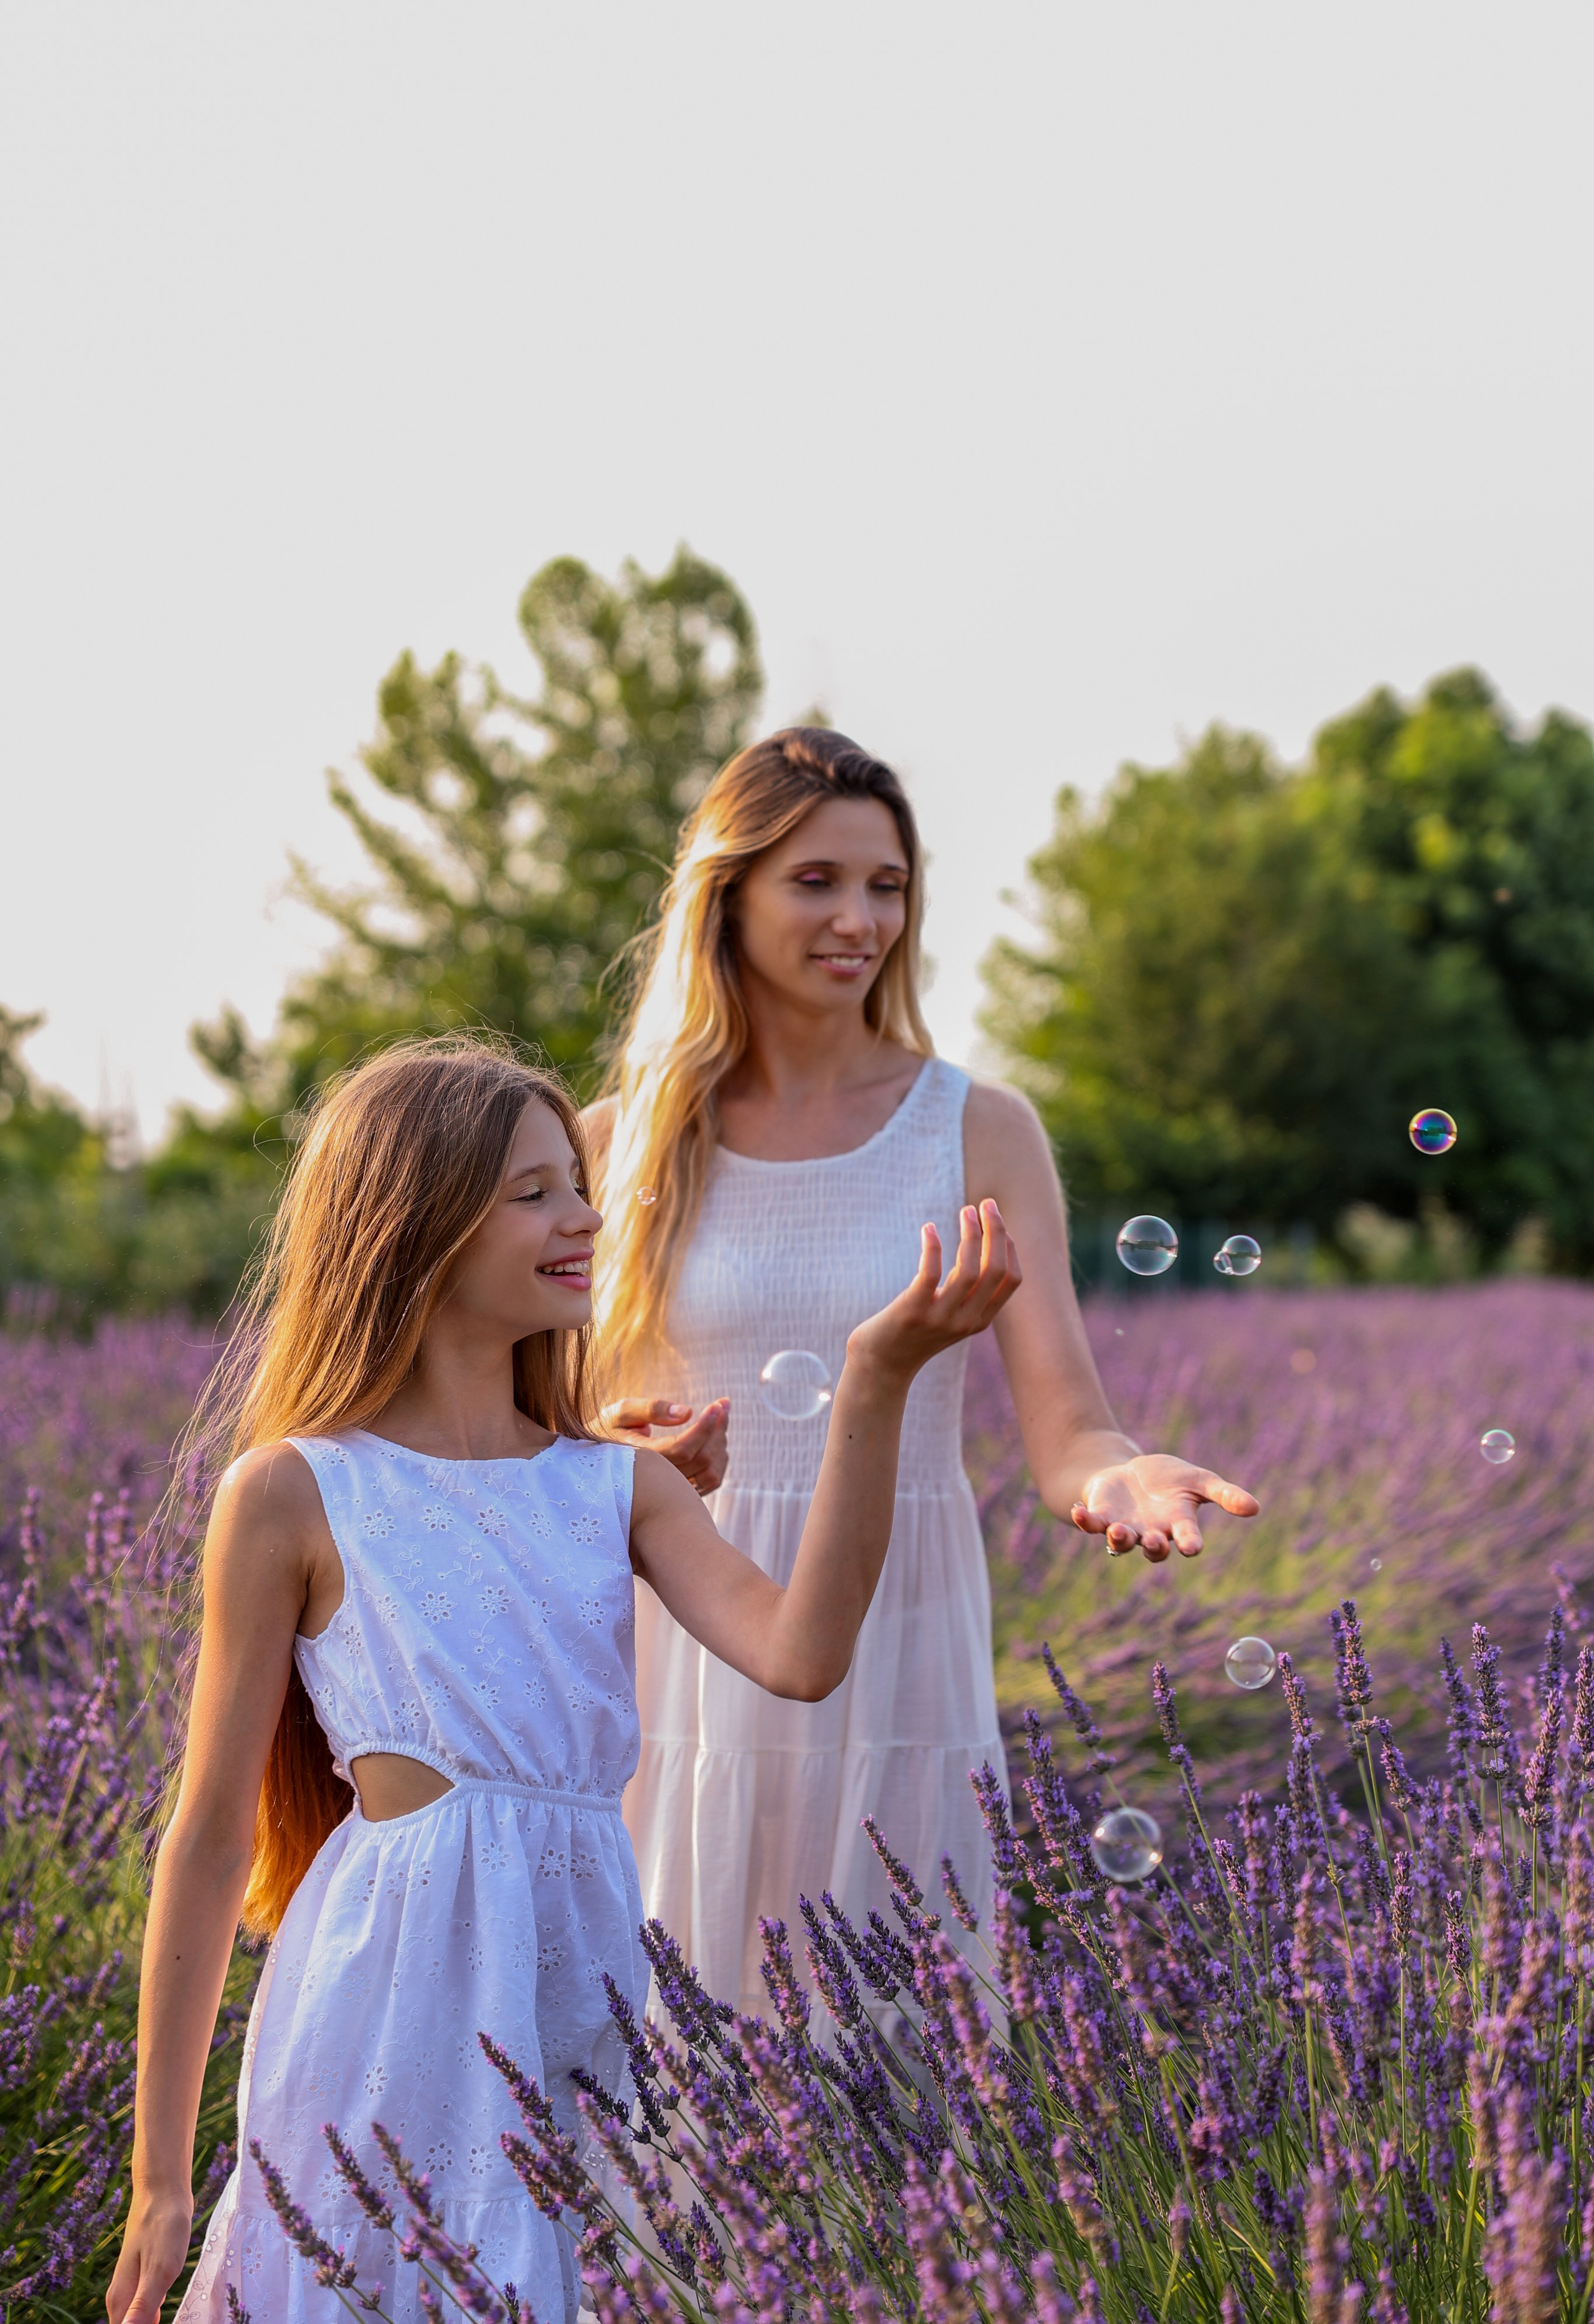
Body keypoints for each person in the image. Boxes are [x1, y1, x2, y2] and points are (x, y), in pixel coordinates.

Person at [109, 1034, 1017, 2324]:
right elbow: (205, 1838)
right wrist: (158, 2184)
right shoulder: (298, 1490)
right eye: (532, 1192)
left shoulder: (614, 1486)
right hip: (378, 2005)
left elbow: (802, 1652)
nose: (584, 1216)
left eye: (577, 1186)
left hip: (572, 1998)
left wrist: (878, 1375)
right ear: (411, 1224)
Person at [586, 726, 1259, 2023]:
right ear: (725, 896)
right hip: (682, 1619)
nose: (859, 920)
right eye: (817, 882)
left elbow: (1067, 1425)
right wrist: (619, 1443)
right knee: (666, 2024)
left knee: (888, 2024)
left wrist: (1119, 1476)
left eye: (885, 886)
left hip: (894, 1616)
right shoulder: (616, 1145)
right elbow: (545, 1426)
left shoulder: (975, 1127)